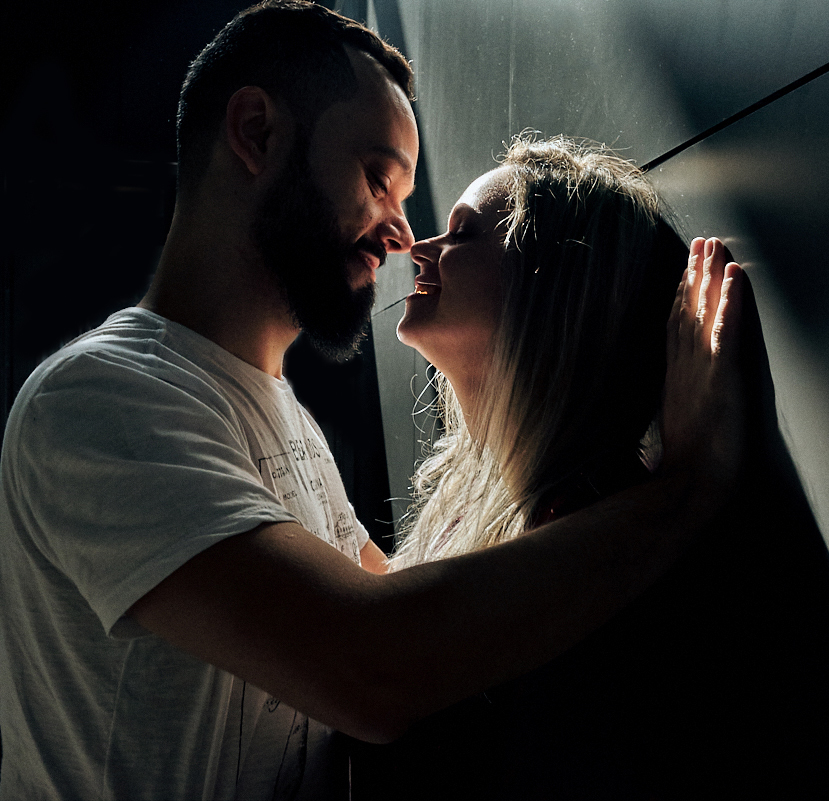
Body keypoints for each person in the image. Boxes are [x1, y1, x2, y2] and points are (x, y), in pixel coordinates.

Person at [0, 3, 744, 799]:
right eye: (377, 177)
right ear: (255, 133)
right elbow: (376, 664)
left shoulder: (287, 423)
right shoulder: (105, 399)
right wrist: (691, 484)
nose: (400, 235)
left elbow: (419, 625)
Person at [348, 138, 829, 798]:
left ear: (549, 290)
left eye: (462, 233)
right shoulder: (475, 513)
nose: (421, 248)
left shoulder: (600, 552)